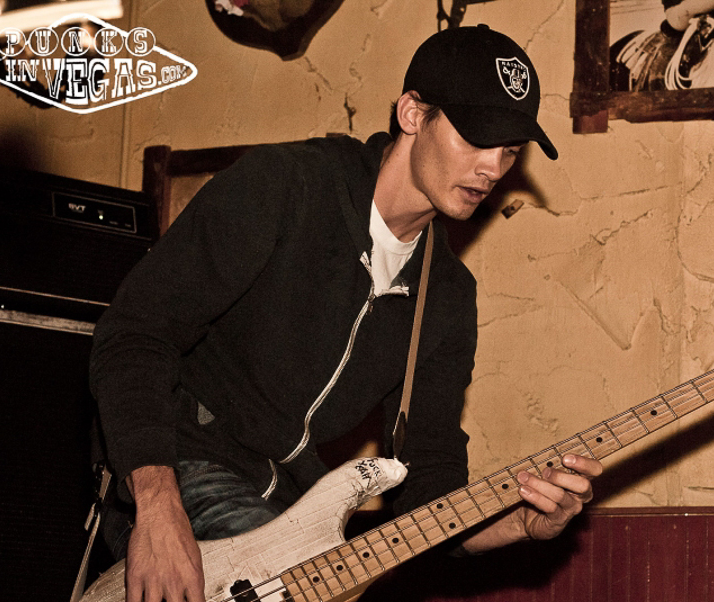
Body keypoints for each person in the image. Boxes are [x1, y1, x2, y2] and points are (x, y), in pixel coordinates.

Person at [89, 24, 603, 602]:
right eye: (477, 138)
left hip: (287, 505)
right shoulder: (285, 188)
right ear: (413, 114)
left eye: (510, 150)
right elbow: (134, 335)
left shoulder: (446, 295)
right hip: (179, 464)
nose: (492, 167)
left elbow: (427, 478)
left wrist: (517, 525)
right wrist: (157, 505)